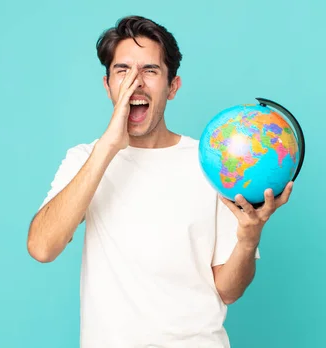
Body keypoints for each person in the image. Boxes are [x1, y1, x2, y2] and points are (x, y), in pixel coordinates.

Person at [27, 15, 294, 348]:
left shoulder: (211, 163)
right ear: (107, 84)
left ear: (173, 87)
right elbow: (42, 248)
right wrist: (109, 146)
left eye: (150, 71)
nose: (135, 83)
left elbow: (229, 290)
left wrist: (249, 238)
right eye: (122, 70)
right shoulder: (85, 159)